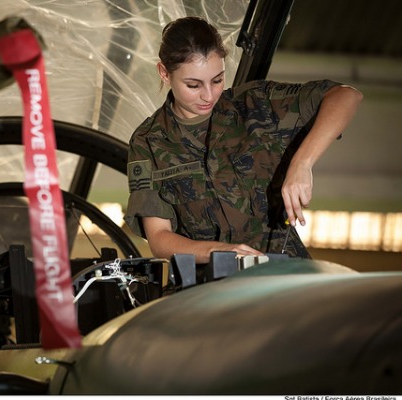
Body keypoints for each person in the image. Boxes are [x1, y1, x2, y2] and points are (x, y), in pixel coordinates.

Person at [124, 16, 363, 264]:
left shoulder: (256, 105)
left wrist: (302, 163)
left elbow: (346, 96)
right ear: (164, 73)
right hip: (206, 286)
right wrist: (219, 252)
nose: (208, 95)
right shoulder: (148, 142)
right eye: (193, 85)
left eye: (217, 80)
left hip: (282, 272)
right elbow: (160, 239)